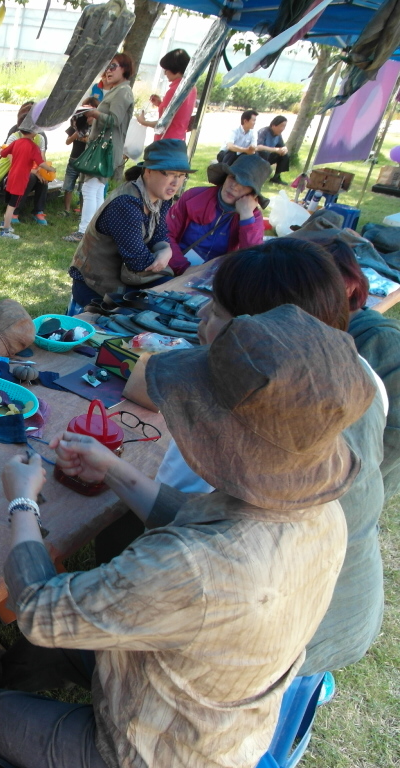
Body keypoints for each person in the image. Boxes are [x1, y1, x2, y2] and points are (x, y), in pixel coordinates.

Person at [0, 303, 371, 768]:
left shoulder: (193, 567)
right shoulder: (317, 513)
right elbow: (192, 515)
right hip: (205, 700)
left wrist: (22, 502)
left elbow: (39, 610)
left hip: (156, 748)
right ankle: (13, 677)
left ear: (223, 438)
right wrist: (112, 468)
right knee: (74, 626)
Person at [116, 239, 387, 679]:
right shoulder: (363, 376)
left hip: (273, 641)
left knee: (117, 536)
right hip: (350, 607)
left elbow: (175, 525)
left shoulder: (225, 422)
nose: (202, 314)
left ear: (259, 336)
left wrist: (109, 474)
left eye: (218, 310)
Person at [310, 235, 400, 500]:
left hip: (349, 486)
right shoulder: (323, 330)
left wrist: (348, 490)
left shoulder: (383, 343)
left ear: (348, 287)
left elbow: (392, 441)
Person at [67, 139, 194, 314]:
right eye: (170, 174)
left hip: (129, 280)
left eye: (181, 175)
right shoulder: (127, 203)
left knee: (176, 303)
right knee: (163, 309)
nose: (176, 182)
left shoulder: (162, 198)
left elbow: (160, 235)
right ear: (148, 171)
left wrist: (166, 250)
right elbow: (137, 262)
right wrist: (164, 262)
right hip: (96, 287)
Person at [65, 52, 136, 243]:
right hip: (104, 148)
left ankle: (84, 232)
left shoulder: (123, 91)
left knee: (90, 189)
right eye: (106, 67)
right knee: (95, 189)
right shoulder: (118, 90)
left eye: (113, 66)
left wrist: (95, 113)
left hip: (105, 150)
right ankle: (94, 231)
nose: (108, 71)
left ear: (125, 69)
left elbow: (114, 120)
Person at [165, 153, 268, 270]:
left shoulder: (252, 216)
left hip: (218, 274)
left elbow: (253, 259)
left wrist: (246, 216)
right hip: (175, 267)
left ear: (252, 193)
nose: (234, 186)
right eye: (233, 177)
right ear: (225, 177)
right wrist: (183, 267)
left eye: (244, 184)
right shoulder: (193, 196)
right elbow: (166, 235)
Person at [0, 116, 45, 239]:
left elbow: (3, 153)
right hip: (20, 181)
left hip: (11, 178)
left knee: (9, 204)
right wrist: (50, 169)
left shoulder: (16, 142)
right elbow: (41, 162)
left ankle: (5, 224)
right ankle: (5, 231)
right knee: (12, 206)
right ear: (33, 132)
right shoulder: (33, 147)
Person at [136, 48, 196, 142]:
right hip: (180, 140)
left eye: (166, 69)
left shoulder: (173, 91)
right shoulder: (192, 88)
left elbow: (163, 124)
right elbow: (179, 114)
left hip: (166, 140)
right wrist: (160, 104)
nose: (165, 73)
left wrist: (143, 122)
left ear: (175, 68)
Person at [62, 97, 97, 217]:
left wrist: (87, 139)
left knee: (83, 187)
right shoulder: (77, 123)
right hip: (74, 158)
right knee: (68, 185)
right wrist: (78, 134)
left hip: (87, 161)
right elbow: (67, 141)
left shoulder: (97, 126)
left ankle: (82, 212)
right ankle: (66, 210)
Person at [257, 115, 291, 184]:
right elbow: (258, 147)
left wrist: (284, 149)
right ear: (273, 125)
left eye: (284, 126)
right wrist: (275, 150)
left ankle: (276, 177)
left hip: (268, 156)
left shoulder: (278, 135)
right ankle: (259, 174)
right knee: (264, 153)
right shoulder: (263, 131)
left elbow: (282, 146)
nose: (283, 129)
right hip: (258, 157)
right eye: (281, 126)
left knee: (284, 155)